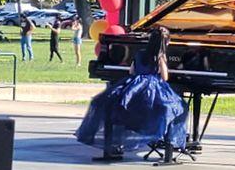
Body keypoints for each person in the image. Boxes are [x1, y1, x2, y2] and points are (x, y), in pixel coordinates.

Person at [75, 27, 188, 158]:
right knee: (178, 108)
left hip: (134, 86)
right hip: (153, 88)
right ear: (166, 42)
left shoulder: (140, 53)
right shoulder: (160, 56)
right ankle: (170, 146)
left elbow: (131, 71)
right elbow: (165, 77)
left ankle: (111, 148)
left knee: (112, 104)